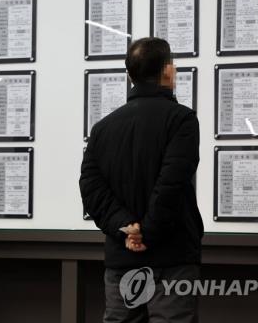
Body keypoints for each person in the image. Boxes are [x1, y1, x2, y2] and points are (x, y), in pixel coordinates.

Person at [79, 37, 203, 323]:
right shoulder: (181, 120)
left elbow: (91, 188)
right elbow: (171, 183)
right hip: (172, 260)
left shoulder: (102, 128)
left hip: (122, 260)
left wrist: (127, 227)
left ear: (130, 76)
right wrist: (147, 232)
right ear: (168, 72)